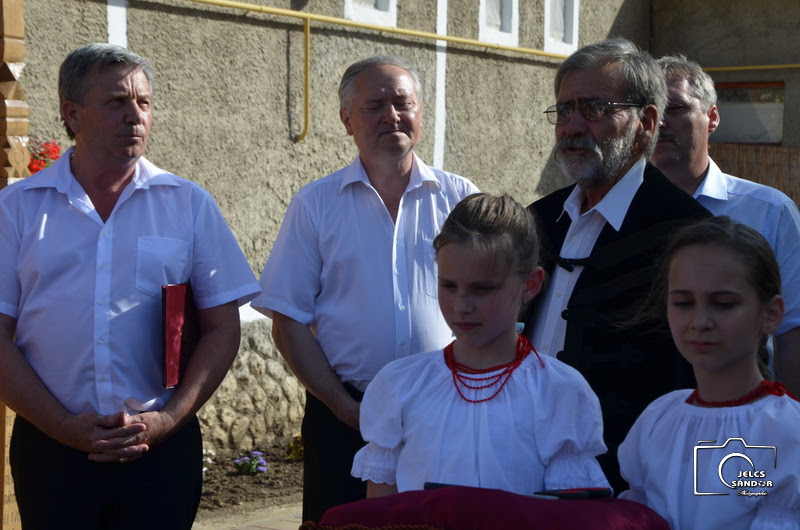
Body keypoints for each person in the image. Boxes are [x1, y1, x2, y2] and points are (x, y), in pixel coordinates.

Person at [0, 44, 260, 529]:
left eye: (143, 102)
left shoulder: (188, 204)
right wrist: (61, 425)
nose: (134, 116)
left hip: (160, 448)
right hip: (52, 450)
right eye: (117, 102)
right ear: (71, 115)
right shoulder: (17, 209)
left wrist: (169, 419)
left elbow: (222, 328)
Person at [251, 56, 478, 522]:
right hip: (343, 421)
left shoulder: (460, 200)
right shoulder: (315, 205)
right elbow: (287, 321)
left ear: (420, 112)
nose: (392, 116)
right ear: (346, 120)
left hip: (445, 419)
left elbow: (490, 303)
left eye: (403, 103)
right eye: (374, 106)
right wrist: (344, 408)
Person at [524, 38, 710, 492]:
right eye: (564, 111)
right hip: (522, 469)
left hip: (630, 486)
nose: (573, 127)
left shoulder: (687, 234)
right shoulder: (539, 220)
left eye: (594, 108)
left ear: (646, 123)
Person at [352, 193, 610, 497]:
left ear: (530, 284)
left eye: (482, 289)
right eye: (448, 286)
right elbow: (380, 511)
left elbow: (569, 513)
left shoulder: (558, 392)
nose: (461, 306)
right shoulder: (402, 384)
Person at [618, 216, 800, 529]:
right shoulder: (658, 419)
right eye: (683, 302)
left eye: (724, 304)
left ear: (771, 314)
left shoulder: (783, 431)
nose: (700, 322)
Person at [652, 54, 800, 395]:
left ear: (712, 118)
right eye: (651, 110)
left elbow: (792, 332)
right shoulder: (617, 212)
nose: (660, 121)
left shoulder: (769, 212)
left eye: (675, 108)